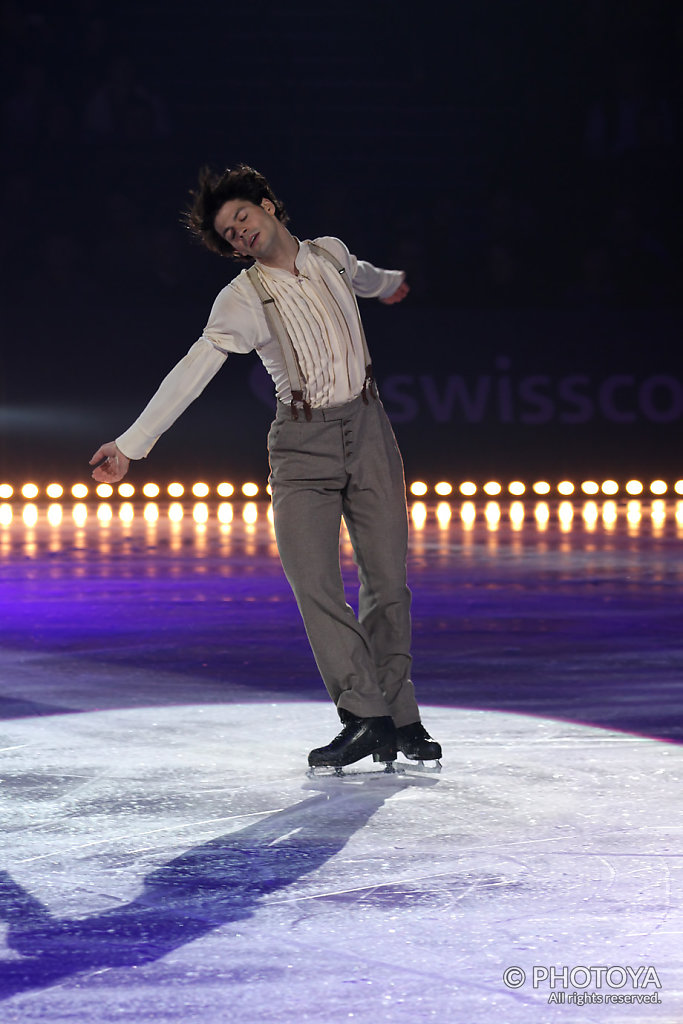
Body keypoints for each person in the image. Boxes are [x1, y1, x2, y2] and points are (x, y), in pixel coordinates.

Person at [90, 164, 441, 772]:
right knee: (315, 584)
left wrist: (392, 284)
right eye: (229, 234)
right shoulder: (242, 300)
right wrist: (131, 445)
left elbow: (364, 277)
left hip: (369, 429)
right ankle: (365, 716)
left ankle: (400, 719)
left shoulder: (329, 253)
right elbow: (193, 371)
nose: (240, 234)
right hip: (301, 446)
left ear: (269, 205)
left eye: (243, 218)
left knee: (388, 584)